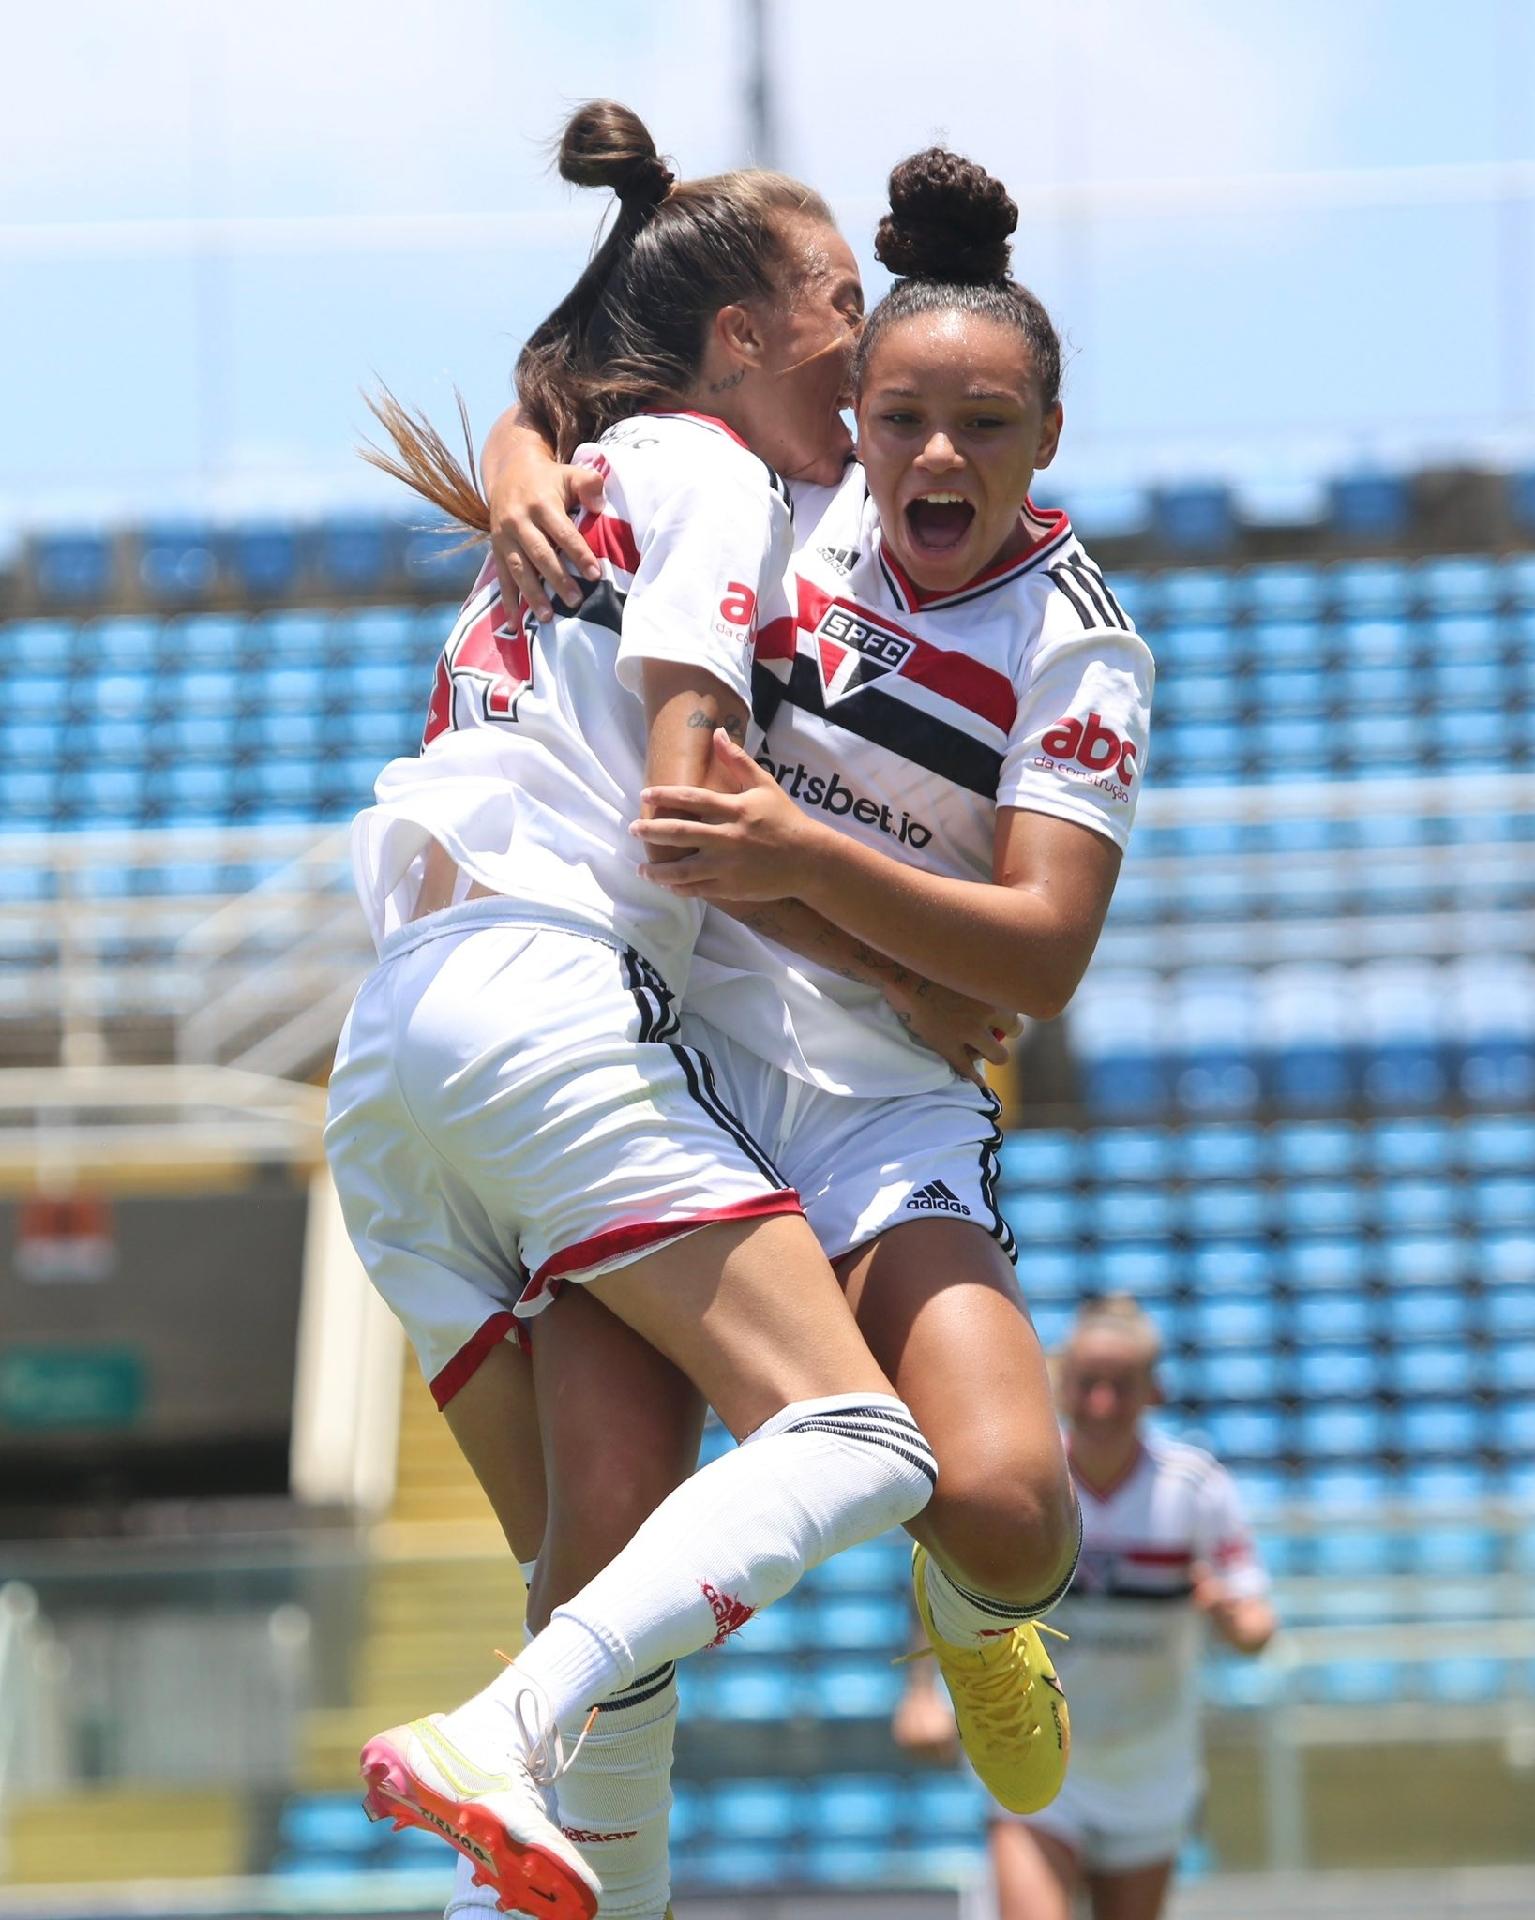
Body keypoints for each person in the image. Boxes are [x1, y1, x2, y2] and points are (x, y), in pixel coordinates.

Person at [466, 146, 1156, 1917]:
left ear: (1045, 440)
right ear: (848, 412)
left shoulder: (1081, 647)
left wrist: (807, 860)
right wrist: (517, 455)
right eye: (902, 416)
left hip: (879, 1108)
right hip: (669, 1053)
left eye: (985, 426)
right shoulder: (778, 499)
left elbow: (1045, 954)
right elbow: (606, 351)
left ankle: (979, 1615)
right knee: (594, 1571)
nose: (937, 457)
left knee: (1001, 1501)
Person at [324, 101, 941, 1920]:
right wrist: (884, 940)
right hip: (547, 1002)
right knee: (861, 1441)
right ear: (740, 339)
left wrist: (522, 427)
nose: (874, 330)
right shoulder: (722, 479)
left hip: (396, 1067)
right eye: (842, 298)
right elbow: (685, 775)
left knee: (610, 1601)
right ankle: (494, 1731)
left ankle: (520, 1770)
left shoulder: (578, 473)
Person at [895, 1297, 1277, 1920]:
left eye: (1120, 1386)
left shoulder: (1196, 1490)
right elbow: (944, 1578)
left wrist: (1236, 1620)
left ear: (1154, 1391)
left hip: (1151, 1769)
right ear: (1061, 1386)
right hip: (1035, 1750)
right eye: (1087, 1384)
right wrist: (920, 1692)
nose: (1102, 1403)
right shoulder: (1025, 1480)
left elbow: (1259, 1625)